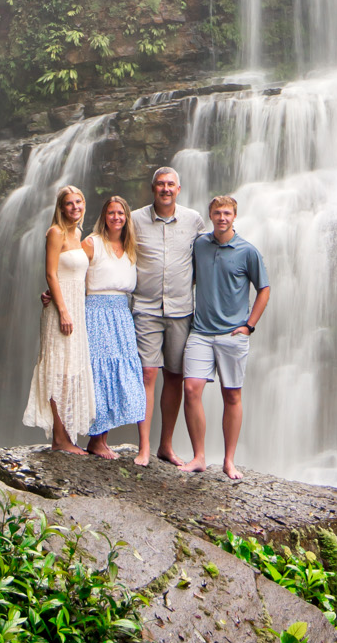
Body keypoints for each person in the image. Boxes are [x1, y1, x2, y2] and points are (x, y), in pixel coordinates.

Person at [180, 195, 270, 482]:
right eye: (217, 213)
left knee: (232, 395)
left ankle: (229, 461)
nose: (222, 217)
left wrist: (249, 325)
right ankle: (199, 457)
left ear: (234, 216)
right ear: (210, 216)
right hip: (201, 332)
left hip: (233, 334)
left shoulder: (248, 252)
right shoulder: (200, 246)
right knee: (192, 389)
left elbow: (264, 289)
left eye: (227, 213)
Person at [130, 165, 203, 467]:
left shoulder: (194, 221)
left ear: (179, 189)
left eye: (170, 184)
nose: (165, 189)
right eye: (160, 184)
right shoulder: (134, 219)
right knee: (148, 374)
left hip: (181, 309)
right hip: (145, 308)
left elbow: (207, 258)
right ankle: (144, 447)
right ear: (152, 188)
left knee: (175, 375)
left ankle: (166, 446)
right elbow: (109, 248)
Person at [22, 185, 95, 453]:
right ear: (61, 208)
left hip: (77, 305)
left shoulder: (79, 235)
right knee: (57, 369)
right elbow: (51, 274)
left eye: (79, 202)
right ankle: (59, 439)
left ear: (84, 205)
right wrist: (62, 310)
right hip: (61, 310)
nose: (75, 207)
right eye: (69, 203)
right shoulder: (56, 233)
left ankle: (67, 434)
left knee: (72, 368)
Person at [83, 195, 146, 459]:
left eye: (121, 213)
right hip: (96, 312)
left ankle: (102, 439)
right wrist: (54, 294)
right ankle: (95, 440)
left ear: (126, 218)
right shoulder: (92, 243)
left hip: (121, 314)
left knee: (118, 371)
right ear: (104, 216)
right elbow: (71, 270)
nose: (116, 217)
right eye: (111, 213)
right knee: (99, 371)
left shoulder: (130, 247)